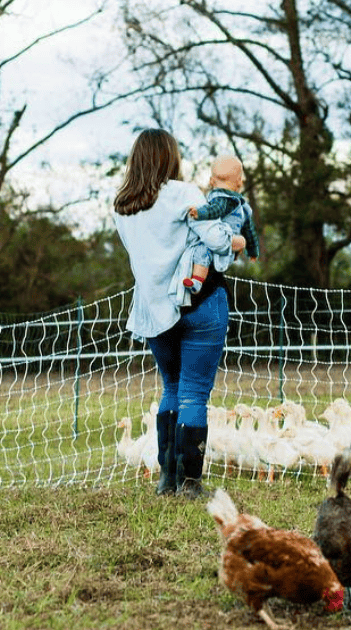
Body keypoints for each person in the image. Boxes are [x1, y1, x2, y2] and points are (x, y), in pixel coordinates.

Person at [113, 129, 245, 498]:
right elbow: (216, 239)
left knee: (170, 389)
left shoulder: (123, 206)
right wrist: (236, 240)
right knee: (193, 395)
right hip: (199, 302)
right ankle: (191, 483)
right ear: (170, 157)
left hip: (154, 309)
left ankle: (166, 480)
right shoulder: (184, 193)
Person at [183, 155, 260, 293]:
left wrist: (199, 213)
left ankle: (196, 281)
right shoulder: (244, 208)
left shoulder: (220, 197)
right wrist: (253, 252)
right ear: (239, 183)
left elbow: (215, 210)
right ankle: (196, 283)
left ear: (212, 181)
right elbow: (249, 232)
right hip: (231, 248)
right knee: (205, 255)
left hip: (222, 243)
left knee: (201, 250)